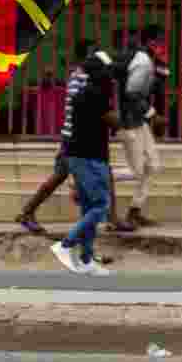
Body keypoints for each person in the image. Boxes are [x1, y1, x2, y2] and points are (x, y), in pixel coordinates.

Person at [16, 39, 134, 234]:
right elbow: (91, 108)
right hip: (78, 139)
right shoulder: (83, 79)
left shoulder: (88, 78)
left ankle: (112, 218)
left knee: (75, 175)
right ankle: (28, 212)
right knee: (61, 176)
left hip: (83, 138)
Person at [51, 49, 119, 277]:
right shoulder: (96, 94)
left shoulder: (84, 92)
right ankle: (66, 244)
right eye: (108, 71)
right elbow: (113, 121)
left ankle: (86, 259)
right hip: (90, 157)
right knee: (101, 206)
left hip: (78, 155)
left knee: (89, 208)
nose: (110, 76)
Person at [116, 25, 167, 228]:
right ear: (150, 42)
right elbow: (132, 93)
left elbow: (153, 90)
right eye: (159, 41)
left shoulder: (150, 62)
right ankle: (86, 179)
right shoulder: (142, 61)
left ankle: (134, 211)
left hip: (140, 121)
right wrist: (153, 115)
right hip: (130, 122)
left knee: (152, 165)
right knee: (135, 171)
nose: (162, 46)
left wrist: (162, 69)